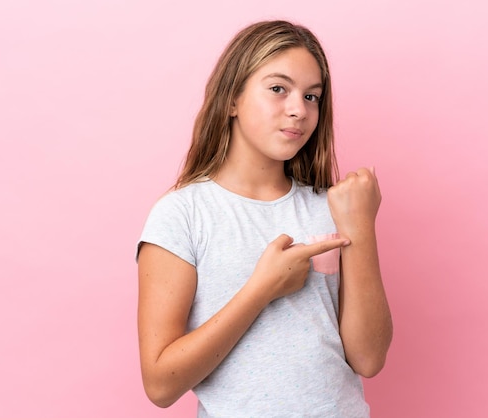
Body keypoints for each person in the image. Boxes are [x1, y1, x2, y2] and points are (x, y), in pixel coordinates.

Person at [136, 20, 393, 417]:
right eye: (279, 89)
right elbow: (161, 384)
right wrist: (262, 289)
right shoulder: (182, 214)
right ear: (232, 98)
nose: (299, 110)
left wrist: (360, 229)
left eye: (312, 96)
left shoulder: (335, 207)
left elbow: (369, 358)